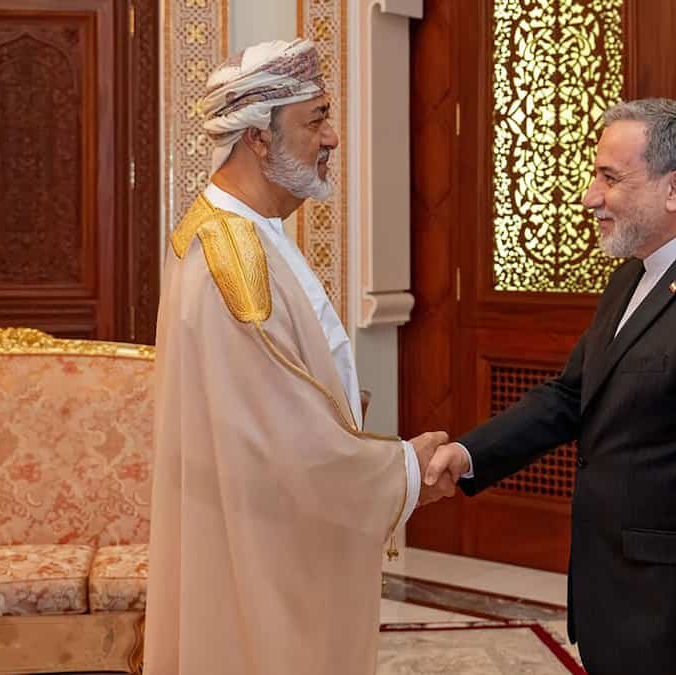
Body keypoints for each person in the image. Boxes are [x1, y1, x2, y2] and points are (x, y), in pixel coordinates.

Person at [426, 98, 676, 675]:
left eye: (610, 178)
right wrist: (469, 454)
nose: (589, 196)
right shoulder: (636, 274)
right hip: (620, 611)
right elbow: (572, 394)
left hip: (675, 629)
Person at [144, 39, 452, 675]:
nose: (332, 137)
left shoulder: (240, 229)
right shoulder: (232, 258)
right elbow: (284, 442)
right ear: (259, 137)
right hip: (263, 548)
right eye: (316, 120)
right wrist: (404, 471)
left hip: (259, 526)